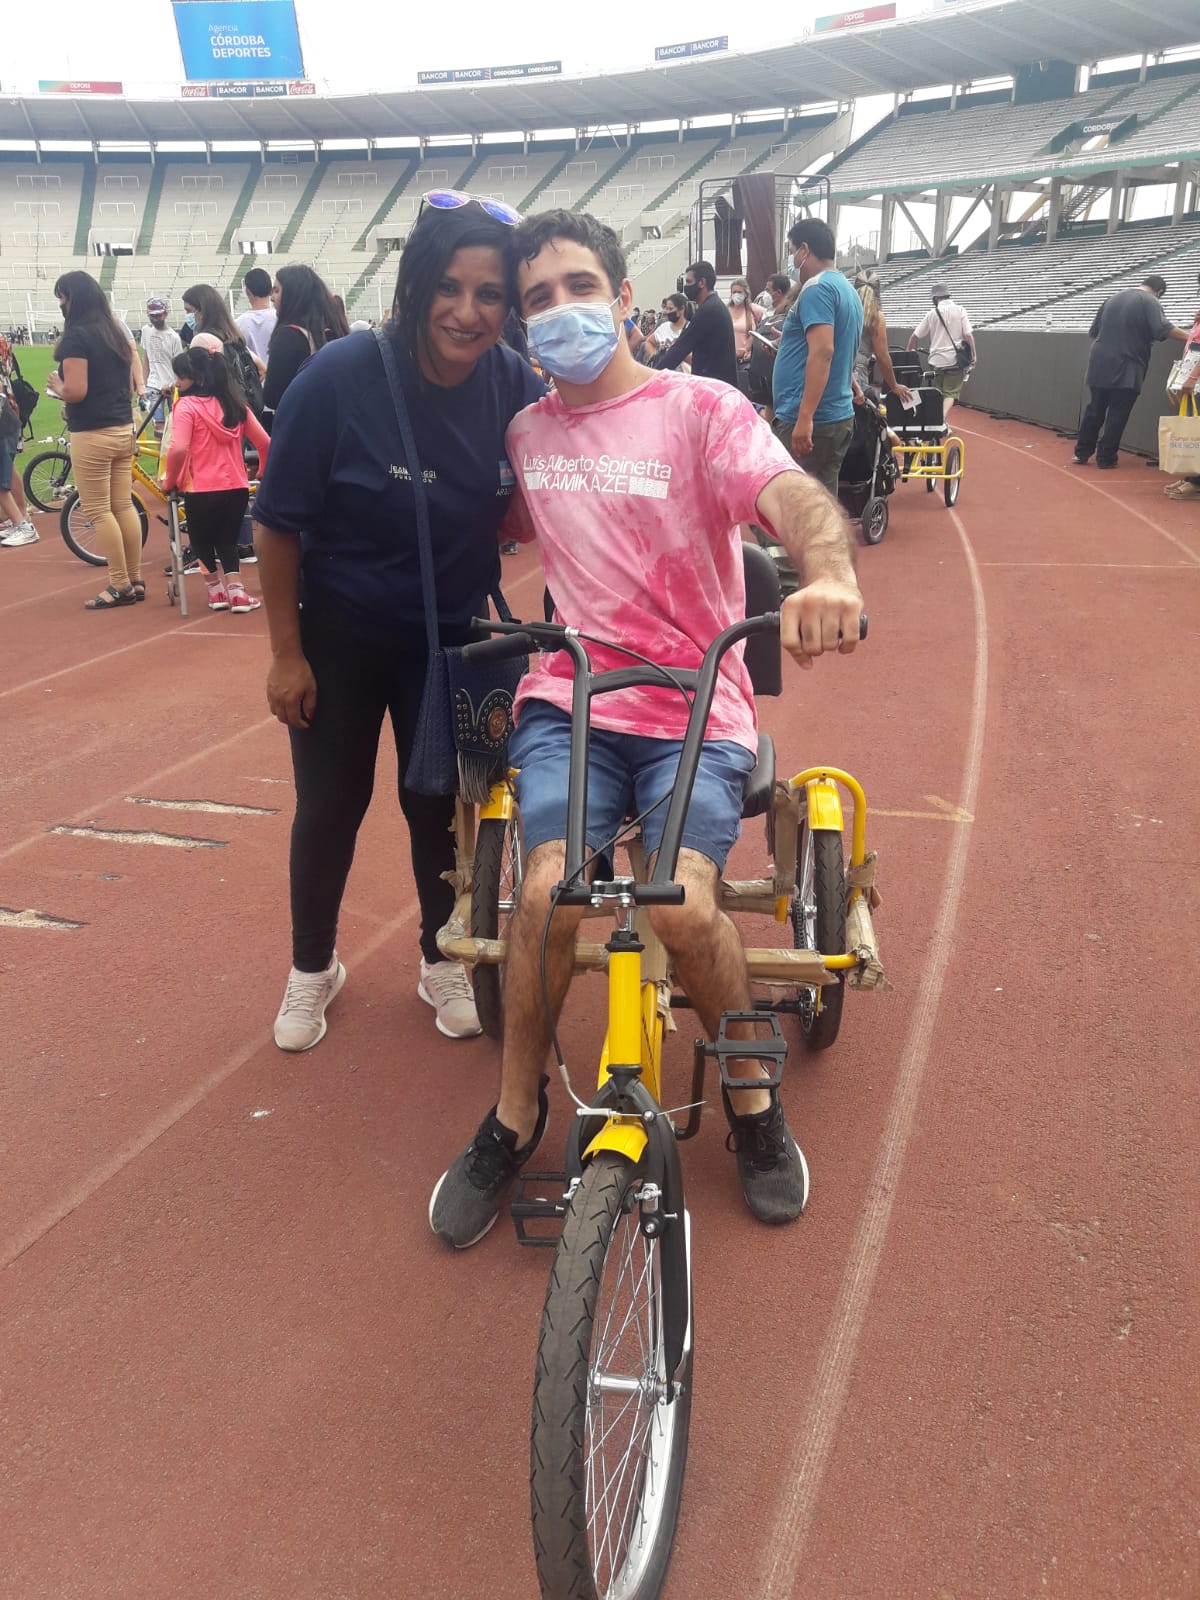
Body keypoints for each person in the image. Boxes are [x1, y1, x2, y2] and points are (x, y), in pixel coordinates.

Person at [429, 209, 864, 1249]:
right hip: (572, 701)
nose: (561, 311)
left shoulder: (702, 410)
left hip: (692, 707)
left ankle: (751, 1097)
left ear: (624, 298)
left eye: (580, 287)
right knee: (544, 892)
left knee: (682, 903)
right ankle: (514, 1114)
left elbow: (794, 496)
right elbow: (484, 521)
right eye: (538, 299)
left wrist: (830, 573)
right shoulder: (527, 436)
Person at [251, 196, 544, 1053]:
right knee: (330, 805)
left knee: (439, 808)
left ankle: (439, 958)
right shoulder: (338, 377)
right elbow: (275, 522)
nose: (466, 311)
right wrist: (285, 655)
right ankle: (313, 967)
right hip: (340, 634)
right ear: (416, 285)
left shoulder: (514, 383)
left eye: (489, 294)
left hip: (451, 639)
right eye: (448, 287)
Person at [45, 271, 145, 609]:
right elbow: (127, 385)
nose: (60, 303)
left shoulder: (77, 337)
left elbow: (76, 390)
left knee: (99, 510)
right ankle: (134, 578)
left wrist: (59, 388)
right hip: (121, 427)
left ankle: (119, 583)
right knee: (123, 505)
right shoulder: (114, 331)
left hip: (93, 433)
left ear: (73, 298)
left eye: (62, 297)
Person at [162, 335, 270, 615]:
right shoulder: (236, 406)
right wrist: (262, 468)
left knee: (201, 539)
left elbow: (179, 449)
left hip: (199, 487)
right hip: (235, 486)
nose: (177, 382)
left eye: (180, 376)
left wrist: (171, 480)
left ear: (196, 377)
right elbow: (265, 443)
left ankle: (215, 589)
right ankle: (236, 592)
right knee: (227, 539)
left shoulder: (186, 407)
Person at [770, 219, 864, 497]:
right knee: (823, 502)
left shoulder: (816, 289)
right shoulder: (847, 290)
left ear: (804, 250)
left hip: (812, 418)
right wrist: (788, 344)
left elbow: (823, 352)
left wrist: (805, 417)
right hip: (836, 414)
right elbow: (837, 348)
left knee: (782, 500)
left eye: (792, 251)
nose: (792, 259)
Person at [1072, 274, 1188, 470]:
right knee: (1118, 412)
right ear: (1159, 292)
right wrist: (1191, 336)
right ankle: (1106, 458)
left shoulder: (1112, 298)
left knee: (1095, 409)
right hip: (1128, 364)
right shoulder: (1150, 301)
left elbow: (1093, 333)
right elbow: (1163, 329)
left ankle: (1081, 452)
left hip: (1099, 362)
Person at [262, 263, 349, 433]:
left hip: (301, 429)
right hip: (332, 427)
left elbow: (273, 397)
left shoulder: (288, 336)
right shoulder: (329, 332)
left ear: (293, 295)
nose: (272, 297)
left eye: (277, 291)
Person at [654, 259, 738, 387]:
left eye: (689, 282)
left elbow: (680, 348)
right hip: (719, 385)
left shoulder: (708, 311)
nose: (686, 287)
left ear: (702, 283)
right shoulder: (715, 305)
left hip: (713, 387)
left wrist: (653, 377)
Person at [906, 283, 976, 421]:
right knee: (951, 393)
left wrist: (908, 352)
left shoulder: (932, 313)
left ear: (935, 298)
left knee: (939, 392)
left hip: (936, 361)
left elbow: (915, 335)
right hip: (954, 360)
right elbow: (968, 335)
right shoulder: (960, 310)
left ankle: (939, 420)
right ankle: (941, 418)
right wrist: (974, 354)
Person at [852, 271, 913, 405]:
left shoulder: (844, 309)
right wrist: (894, 385)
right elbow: (882, 357)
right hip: (858, 375)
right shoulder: (876, 317)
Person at [0, 332, 38, 547]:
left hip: (4, 418)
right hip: (8, 412)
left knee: (2, 477)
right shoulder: (3, 341)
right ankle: (20, 519)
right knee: (7, 468)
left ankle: (22, 524)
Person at [139, 297, 182, 428]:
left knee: (175, 423)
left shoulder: (173, 337)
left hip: (171, 385)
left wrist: (174, 385)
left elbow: (179, 365)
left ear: (165, 314)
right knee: (158, 425)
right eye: (152, 316)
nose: (155, 319)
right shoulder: (146, 331)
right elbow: (146, 358)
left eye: (158, 315)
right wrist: (143, 385)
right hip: (153, 384)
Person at [727, 275, 764, 386]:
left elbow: (763, 326)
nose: (736, 295)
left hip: (745, 362)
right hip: (728, 359)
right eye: (734, 292)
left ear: (746, 293)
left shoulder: (753, 310)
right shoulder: (726, 310)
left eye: (739, 292)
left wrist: (748, 347)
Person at [236, 267, 277, 363]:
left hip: (252, 371)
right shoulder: (281, 319)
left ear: (247, 292)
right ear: (271, 290)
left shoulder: (238, 323)